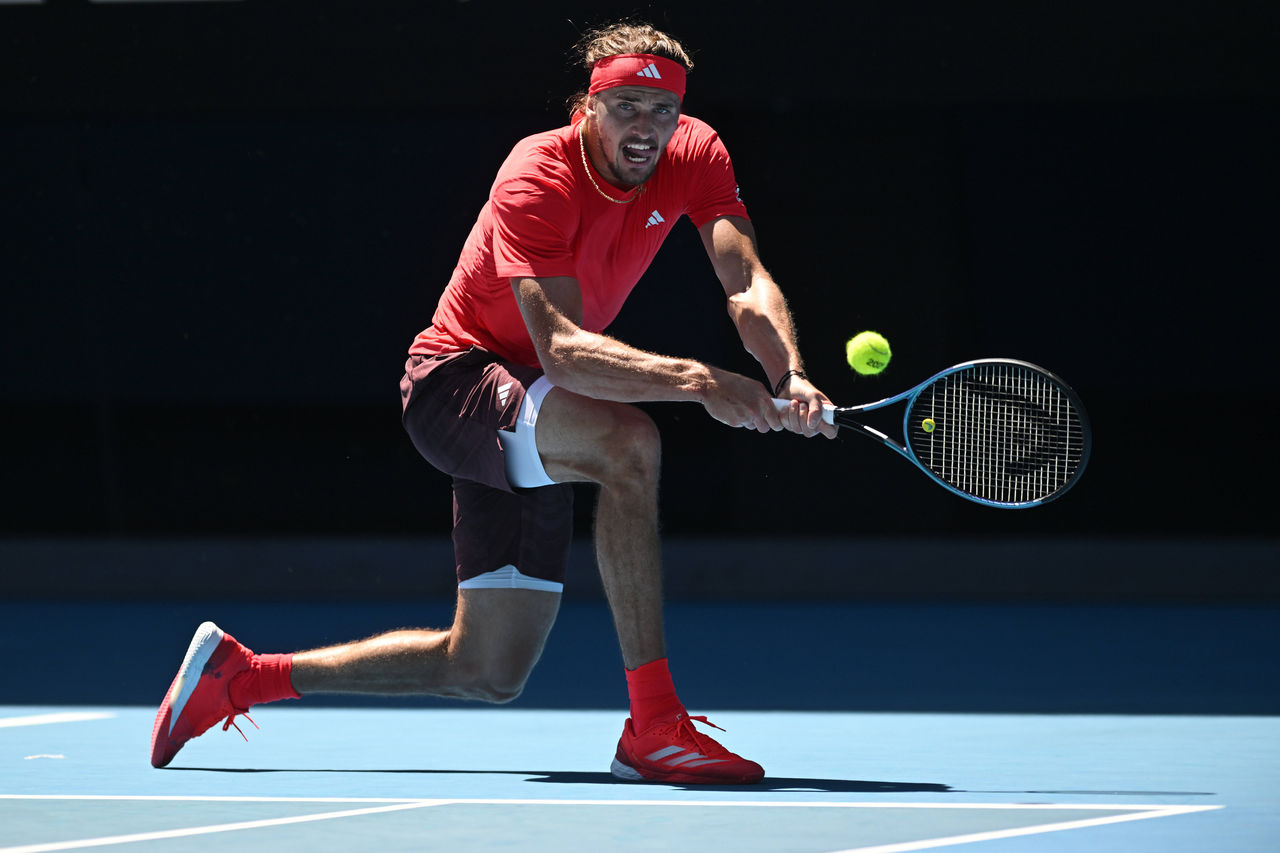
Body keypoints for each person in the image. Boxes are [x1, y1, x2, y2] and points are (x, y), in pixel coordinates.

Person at [149, 21, 837, 784]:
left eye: (662, 111)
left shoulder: (696, 152)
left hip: (539, 405)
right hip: (456, 381)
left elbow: (744, 280)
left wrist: (788, 374)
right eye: (628, 107)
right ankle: (655, 725)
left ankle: (241, 676)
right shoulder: (537, 172)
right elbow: (564, 349)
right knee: (629, 445)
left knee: (487, 667)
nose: (647, 128)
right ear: (589, 105)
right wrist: (704, 382)